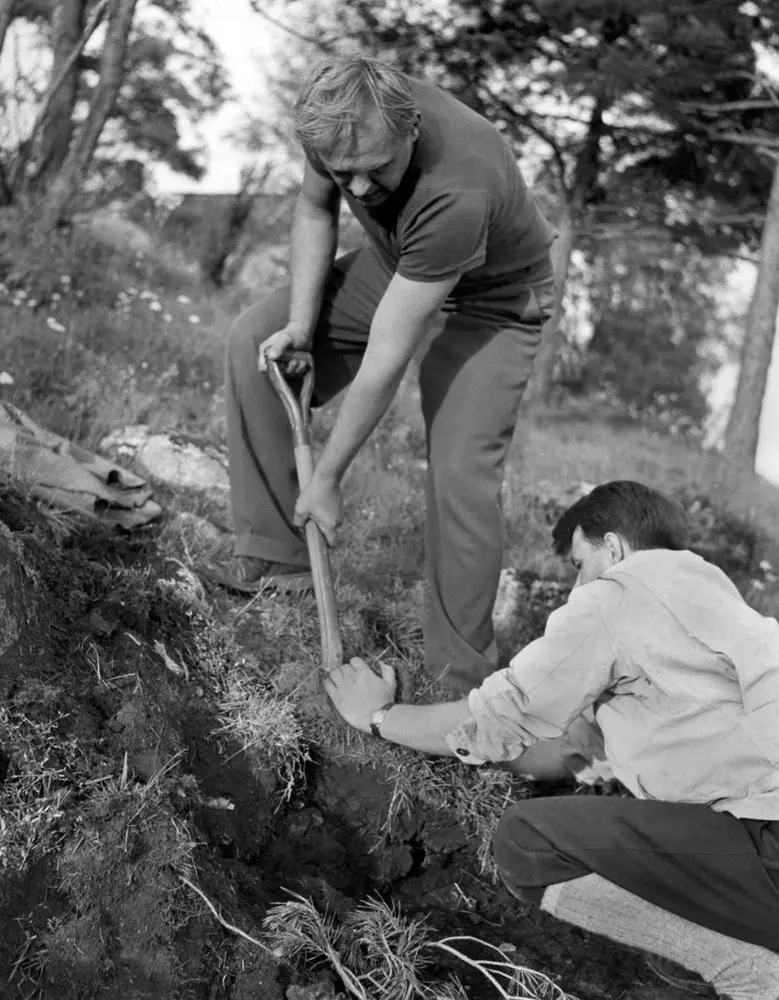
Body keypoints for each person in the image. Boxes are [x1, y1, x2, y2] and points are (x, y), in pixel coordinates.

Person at [325, 481, 779, 1000]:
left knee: (527, 843)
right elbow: (571, 750)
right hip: (763, 833)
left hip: (766, 842)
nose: (575, 589)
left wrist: (379, 716)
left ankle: (746, 970)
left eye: (579, 564)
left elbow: (502, 714)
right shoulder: (714, 605)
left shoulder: (621, 593)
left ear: (615, 547)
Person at [208, 54, 557, 691]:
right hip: (401, 260)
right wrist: (299, 324)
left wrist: (329, 478)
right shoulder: (335, 124)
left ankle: (461, 679)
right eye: (347, 175)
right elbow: (317, 213)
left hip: (497, 301)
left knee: (460, 472)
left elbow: (386, 358)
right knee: (253, 340)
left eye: (378, 170)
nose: (362, 189)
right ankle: (279, 563)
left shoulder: (458, 186)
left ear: (411, 128)